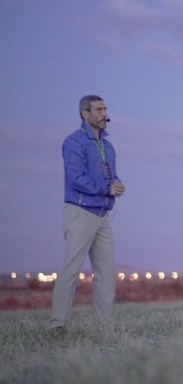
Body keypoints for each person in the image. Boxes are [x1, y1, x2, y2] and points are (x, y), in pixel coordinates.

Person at [50, 95, 125, 330]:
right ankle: (57, 325)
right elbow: (76, 179)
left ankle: (102, 325)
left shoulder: (107, 146)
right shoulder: (74, 142)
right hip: (80, 212)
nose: (104, 113)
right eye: (99, 109)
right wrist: (106, 188)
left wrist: (117, 184)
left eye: (105, 109)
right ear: (85, 113)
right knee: (71, 270)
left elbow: (109, 176)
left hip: (102, 214)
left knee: (106, 272)